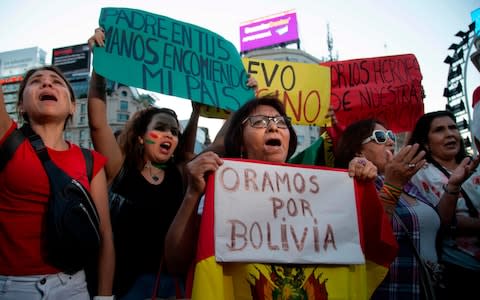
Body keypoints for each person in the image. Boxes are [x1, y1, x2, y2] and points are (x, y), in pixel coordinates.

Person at [165, 96, 397, 299]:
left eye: (280, 122)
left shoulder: (326, 190)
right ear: (240, 140)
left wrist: (359, 184)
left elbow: (371, 247)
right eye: (259, 122)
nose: (273, 128)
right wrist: (193, 193)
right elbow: (176, 262)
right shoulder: (219, 187)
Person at [87, 28, 257, 299]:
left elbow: (222, 142)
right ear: (141, 138)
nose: (169, 134)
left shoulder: (181, 173)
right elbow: (97, 123)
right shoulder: (121, 169)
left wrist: (243, 99)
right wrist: (101, 67)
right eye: (161, 128)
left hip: (175, 285)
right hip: (126, 287)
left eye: (175, 131)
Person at [0, 66, 114, 299]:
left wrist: (104, 296)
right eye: (36, 81)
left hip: (73, 287)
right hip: (13, 287)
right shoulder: (7, 140)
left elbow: (105, 235)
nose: (47, 84)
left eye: (57, 82)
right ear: (20, 105)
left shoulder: (90, 161)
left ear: (73, 106)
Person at [334, 118, 447, 299]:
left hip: (426, 289)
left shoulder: (409, 184)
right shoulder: (356, 183)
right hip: (390, 291)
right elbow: (370, 240)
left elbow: (442, 224)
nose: (390, 141)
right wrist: (392, 186)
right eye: (379, 137)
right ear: (358, 151)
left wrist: (454, 187)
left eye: (390, 135)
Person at [407, 110, 480, 299]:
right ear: (425, 143)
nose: (449, 134)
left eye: (453, 127)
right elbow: (440, 221)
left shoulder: (476, 166)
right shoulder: (420, 175)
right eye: (439, 130)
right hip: (459, 270)